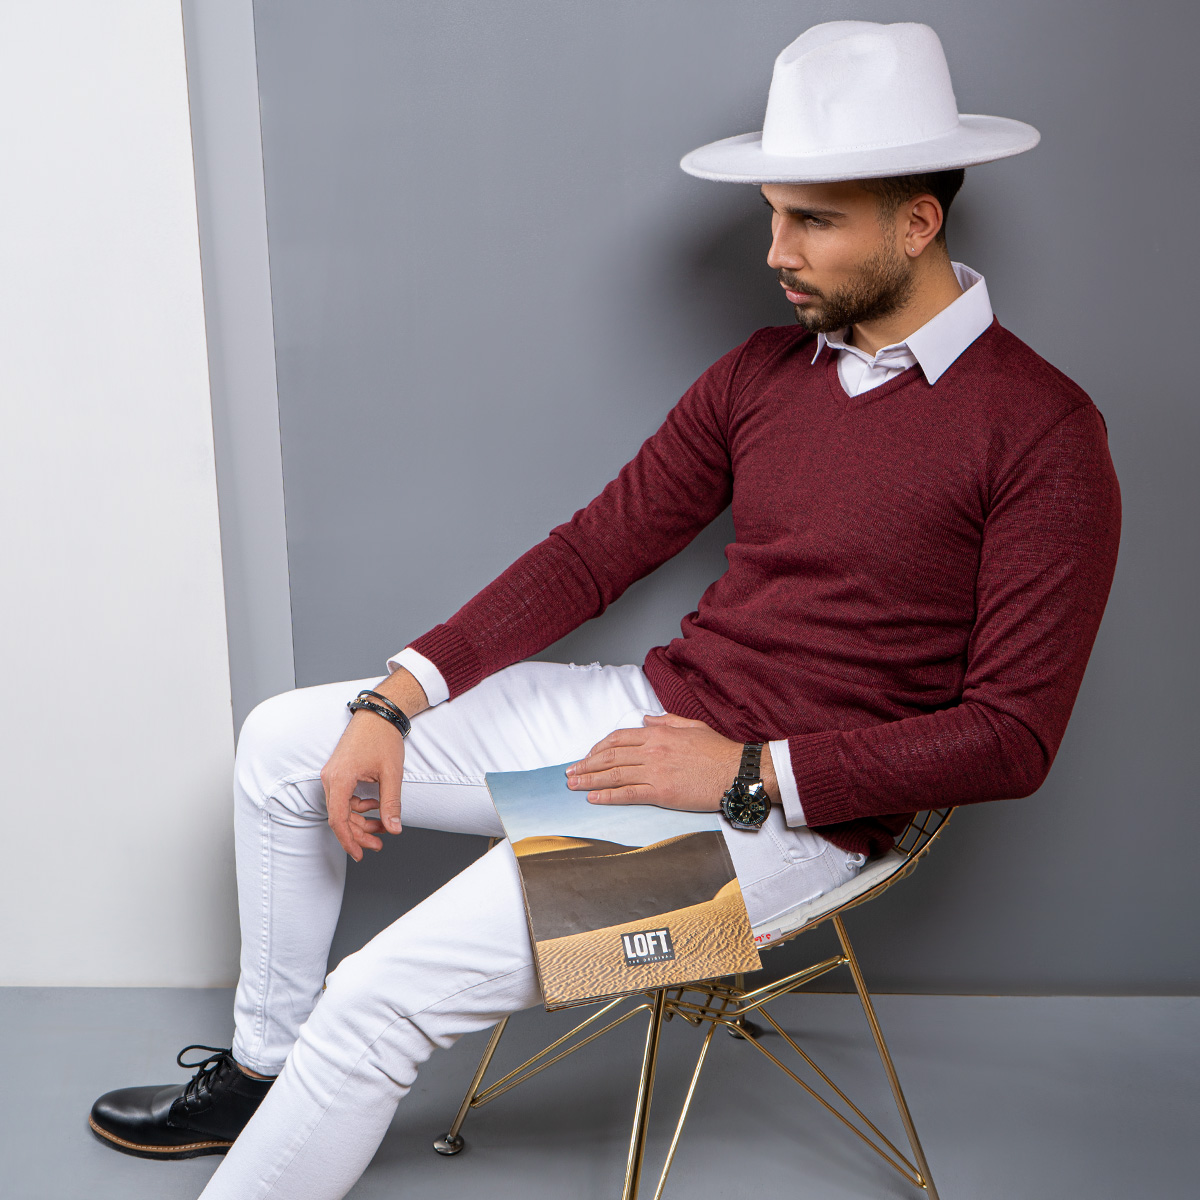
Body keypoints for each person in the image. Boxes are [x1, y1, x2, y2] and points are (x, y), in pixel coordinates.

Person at [89, 20, 1120, 1198]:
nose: (776, 252)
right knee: (284, 743)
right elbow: (593, 552)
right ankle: (265, 1077)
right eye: (772, 215)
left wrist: (745, 774)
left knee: (378, 996)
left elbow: (1012, 738)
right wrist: (396, 697)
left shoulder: (1042, 432)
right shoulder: (763, 372)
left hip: (790, 821)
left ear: (918, 222)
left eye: (813, 222)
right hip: (652, 719)